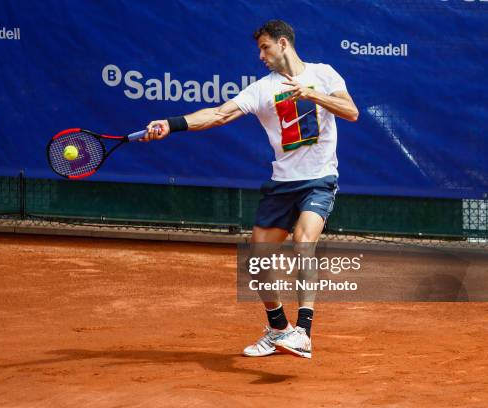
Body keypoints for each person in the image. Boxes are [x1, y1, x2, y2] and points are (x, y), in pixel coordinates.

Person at [141, 20, 358, 359]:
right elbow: (218, 114)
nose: (261, 55)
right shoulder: (261, 89)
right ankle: (278, 328)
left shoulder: (324, 73)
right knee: (256, 261)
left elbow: (352, 112)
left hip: (319, 179)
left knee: (304, 242)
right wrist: (172, 124)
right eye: (259, 49)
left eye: (265, 47)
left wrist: (312, 93)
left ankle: (303, 331)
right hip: (282, 183)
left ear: (283, 44)